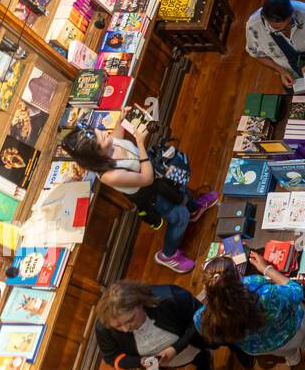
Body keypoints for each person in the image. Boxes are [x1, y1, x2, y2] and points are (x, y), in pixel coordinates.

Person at [62, 115, 218, 273]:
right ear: (96, 155)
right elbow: (147, 179)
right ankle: (167, 255)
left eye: (99, 131)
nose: (104, 133)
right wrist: (140, 144)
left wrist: (121, 120)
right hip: (153, 193)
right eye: (100, 137)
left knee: (181, 186)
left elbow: (117, 137)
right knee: (179, 216)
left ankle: (194, 209)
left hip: (159, 170)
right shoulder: (109, 175)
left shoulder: (109, 142)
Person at [196, 253, 305, 370]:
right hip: (293, 329)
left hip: (261, 346)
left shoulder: (203, 317)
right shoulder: (262, 293)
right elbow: (296, 292)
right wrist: (267, 269)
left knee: (282, 349)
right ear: (238, 277)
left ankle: (292, 356)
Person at [95, 281, 231, 370]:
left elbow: (200, 318)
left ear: (140, 303)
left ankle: (204, 361)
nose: (125, 329)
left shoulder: (171, 297)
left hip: (190, 344)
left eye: (130, 320)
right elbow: (111, 357)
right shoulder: (104, 327)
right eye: (118, 326)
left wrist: (175, 349)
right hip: (162, 363)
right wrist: (140, 361)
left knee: (199, 357)